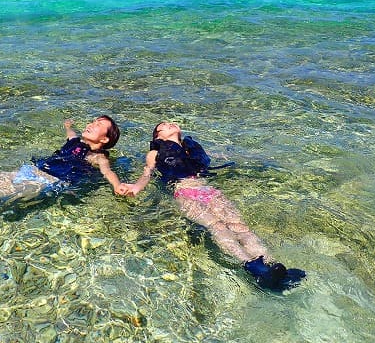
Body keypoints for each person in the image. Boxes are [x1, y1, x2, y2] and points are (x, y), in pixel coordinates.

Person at [118, 121, 306, 291]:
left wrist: (257, 156)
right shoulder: (155, 152)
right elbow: (147, 172)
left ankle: (272, 266)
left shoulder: (190, 150)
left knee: (240, 226)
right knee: (217, 225)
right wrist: (135, 187)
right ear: (158, 136)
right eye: (164, 125)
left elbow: (219, 156)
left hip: (209, 191)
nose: (170, 123)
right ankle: (251, 266)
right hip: (184, 192)